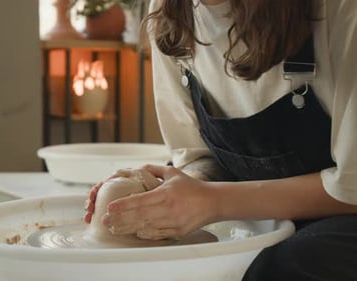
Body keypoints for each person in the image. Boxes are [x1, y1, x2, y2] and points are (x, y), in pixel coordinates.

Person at [84, 0, 357, 280]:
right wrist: (164, 192)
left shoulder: (338, 9)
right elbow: (198, 157)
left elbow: (352, 188)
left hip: (344, 217)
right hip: (249, 208)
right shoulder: (170, 14)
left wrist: (213, 202)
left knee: (285, 265)